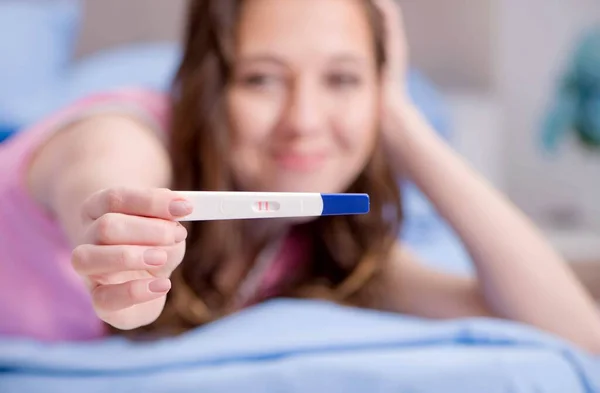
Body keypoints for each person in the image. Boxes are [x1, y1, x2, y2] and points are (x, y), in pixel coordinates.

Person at [1, 0, 599, 353]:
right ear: (210, 89)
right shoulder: (122, 132)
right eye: (262, 78)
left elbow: (576, 336)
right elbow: (105, 178)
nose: (304, 123)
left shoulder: (312, 245)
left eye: (342, 80)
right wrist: (123, 240)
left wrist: (404, 126)